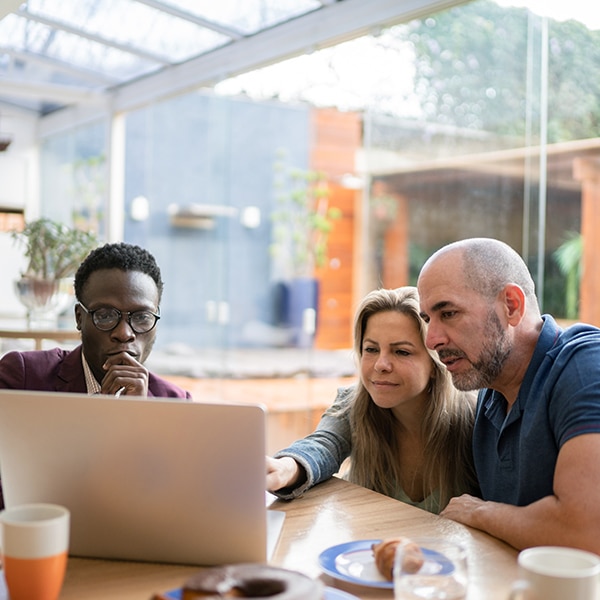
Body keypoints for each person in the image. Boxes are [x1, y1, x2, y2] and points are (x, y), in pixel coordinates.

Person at [417, 237, 600, 553]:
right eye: (427, 319)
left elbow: (586, 530)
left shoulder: (585, 367)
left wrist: (479, 512)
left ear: (511, 306)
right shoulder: (490, 392)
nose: (432, 340)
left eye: (447, 313)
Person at [266, 286, 478, 514]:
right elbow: (323, 445)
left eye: (401, 352)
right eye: (371, 349)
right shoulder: (352, 403)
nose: (380, 365)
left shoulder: (475, 419)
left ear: (437, 364)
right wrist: (287, 467)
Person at [0, 242, 191, 400]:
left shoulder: (176, 402)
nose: (124, 334)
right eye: (106, 315)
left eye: (141, 317)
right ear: (79, 317)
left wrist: (138, 415)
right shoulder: (23, 377)